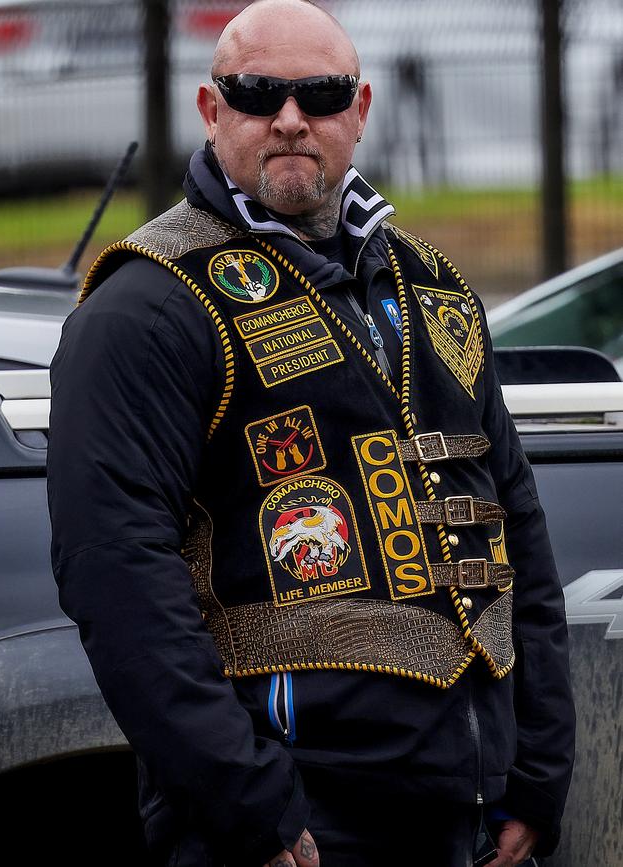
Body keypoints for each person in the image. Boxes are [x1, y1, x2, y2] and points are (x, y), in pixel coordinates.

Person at [46, 1, 575, 865]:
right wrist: (244, 798)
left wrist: (540, 772)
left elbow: (517, 531)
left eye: (321, 94)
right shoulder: (147, 306)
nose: (291, 118)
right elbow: (115, 573)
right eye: (258, 93)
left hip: (472, 819)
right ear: (212, 111)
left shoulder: (432, 285)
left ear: (359, 111)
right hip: (292, 828)